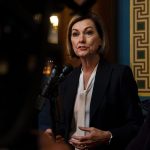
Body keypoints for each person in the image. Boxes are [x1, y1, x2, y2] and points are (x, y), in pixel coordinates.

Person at [46, 11, 144, 150]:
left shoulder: (119, 74)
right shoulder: (67, 79)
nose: (81, 39)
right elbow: (66, 127)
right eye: (75, 34)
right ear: (71, 42)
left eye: (88, 33)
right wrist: (54, 134)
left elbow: (137, 125)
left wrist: (108, 135)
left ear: (100, 40)